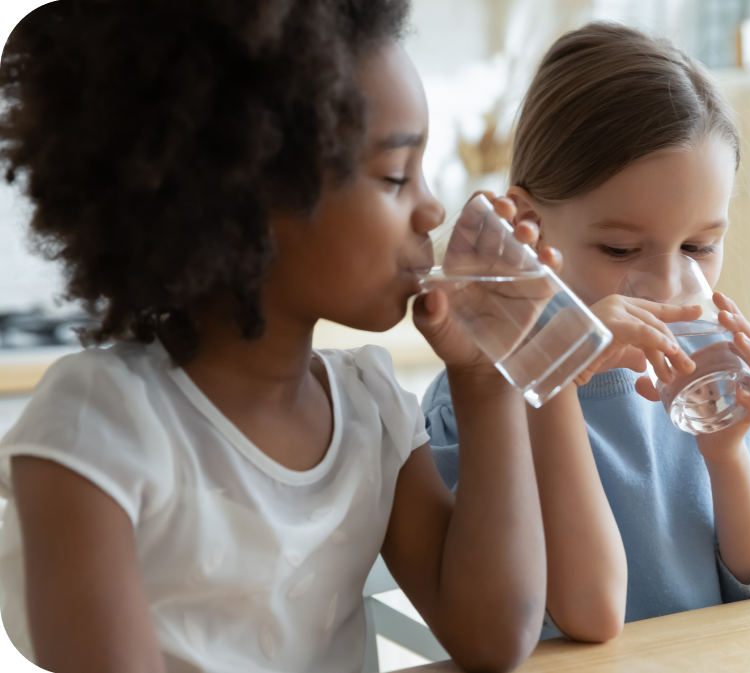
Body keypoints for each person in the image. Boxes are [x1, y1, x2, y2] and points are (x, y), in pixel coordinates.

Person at [0, 2, 558, 671]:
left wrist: (484, 375)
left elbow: (495, 635)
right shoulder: (100, 431)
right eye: (394, 176)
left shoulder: (372, 410)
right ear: (242, 202)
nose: (433, 208)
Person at [422, 21, 750, 639]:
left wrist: (727, 458)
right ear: (530, 226)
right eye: (622, 249)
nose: (666, 285)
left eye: (700, 245)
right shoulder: (481, 396)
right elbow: (583, 613)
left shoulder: (706, 387)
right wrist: (553, 364)